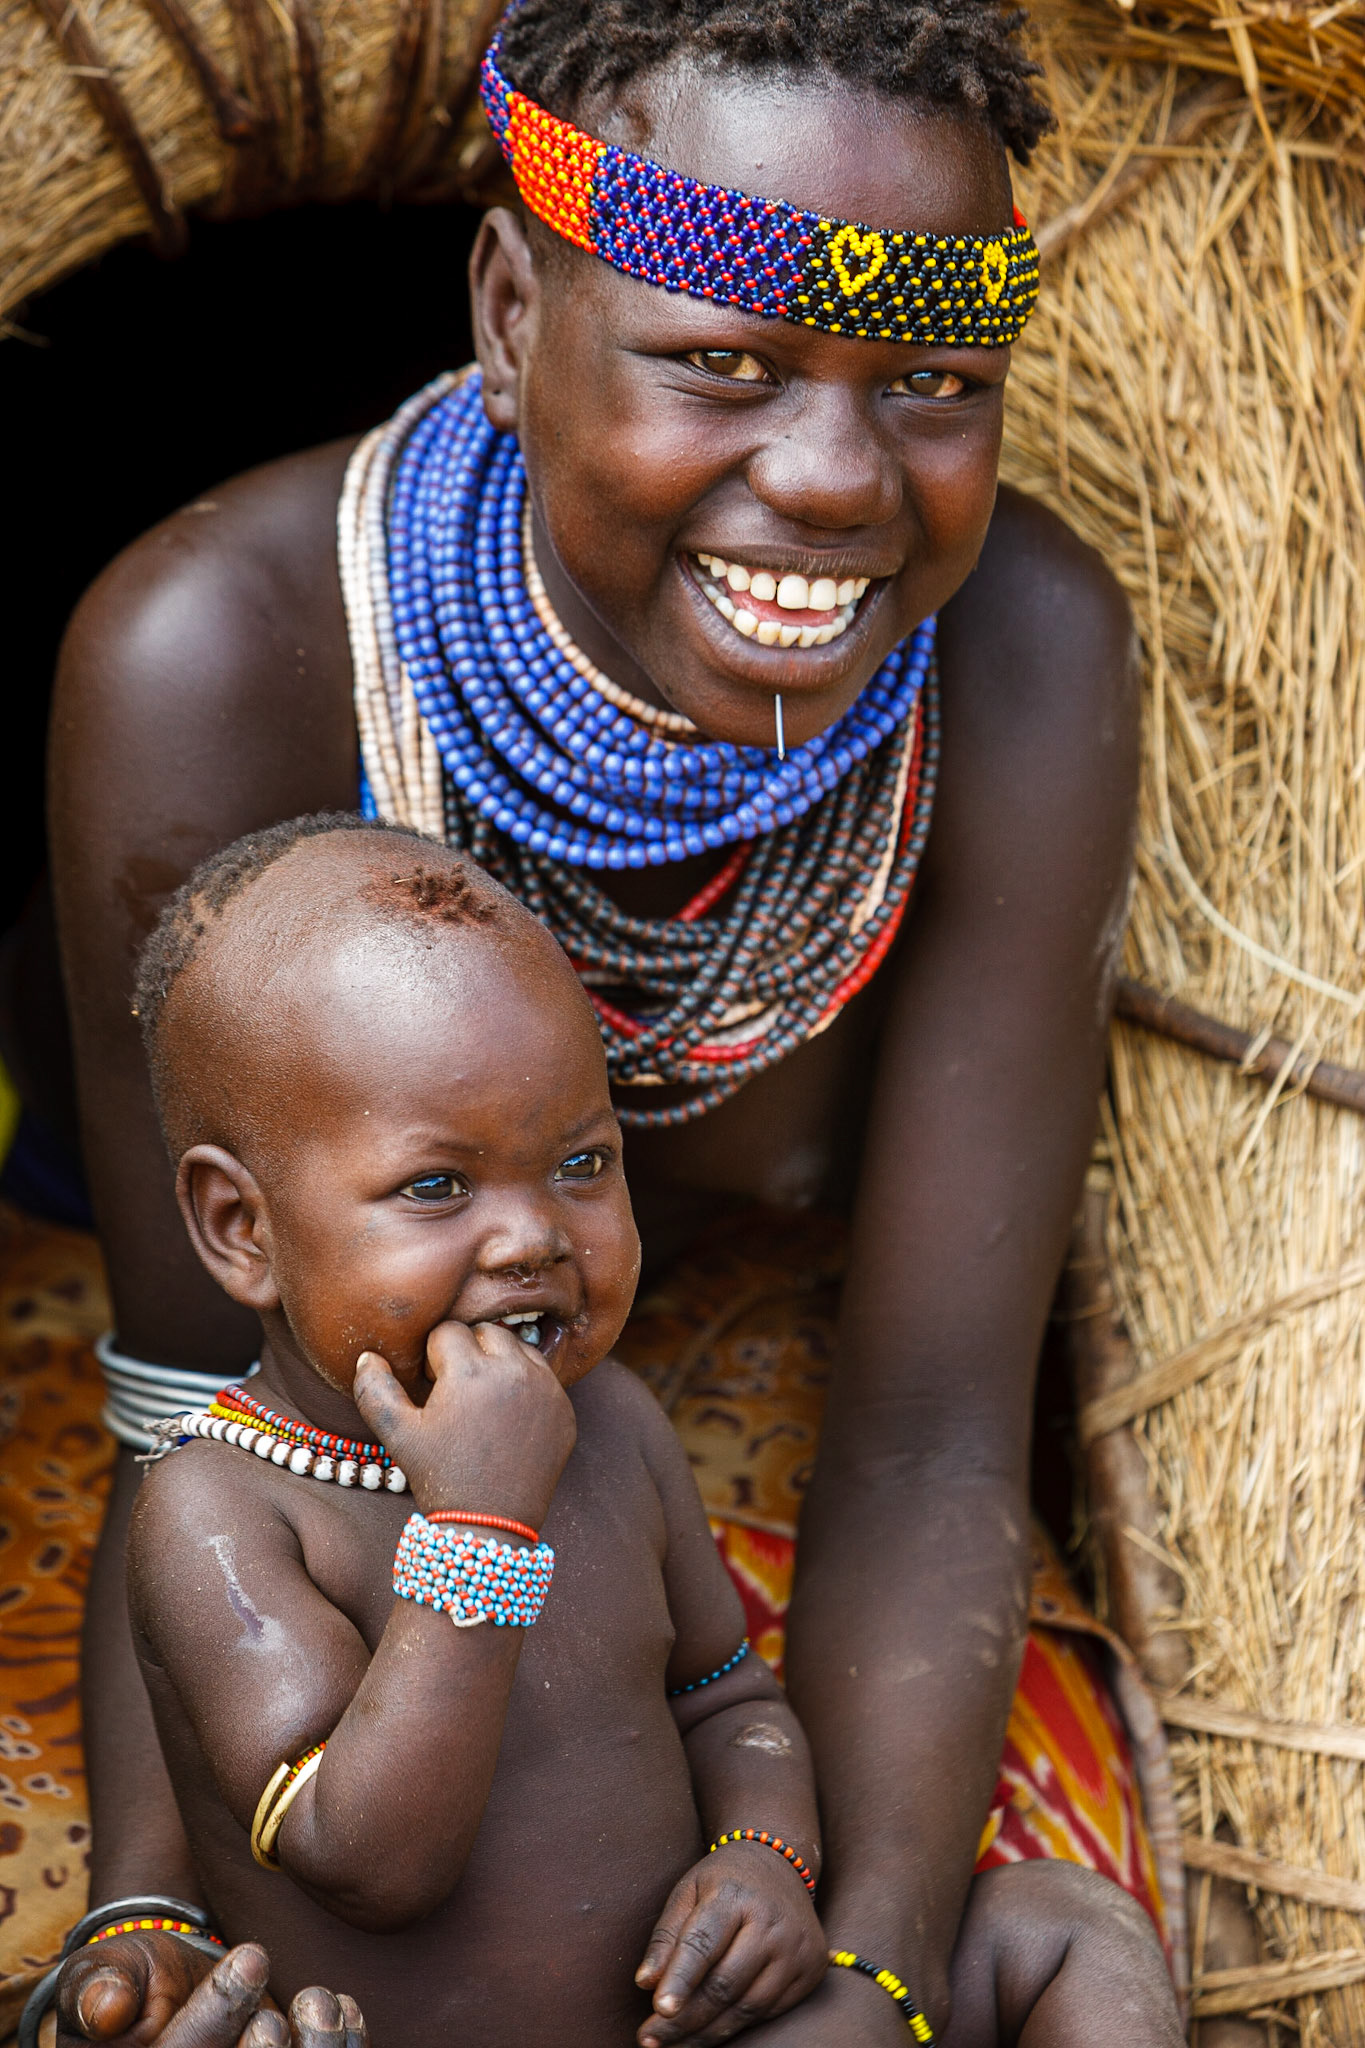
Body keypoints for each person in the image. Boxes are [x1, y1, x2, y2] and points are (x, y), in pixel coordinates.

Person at [45, 0, 1181, 2040]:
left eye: (933, 379)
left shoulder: (1015, 652)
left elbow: (932, 1433)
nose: (834, 480)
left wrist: (867, 1958)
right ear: (508, 308)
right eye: (720, 363)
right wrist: (134, 1918)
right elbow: (195, 1408)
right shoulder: (210, 656)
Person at [125, 817, 829, 2048]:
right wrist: (476, 1523)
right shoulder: (221, 1511)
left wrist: (764, 1855)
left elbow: (728, 1698)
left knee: (1059, 1930)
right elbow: (369, 1861)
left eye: (581, 1161)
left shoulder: (608, 1419)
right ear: (244, 1227)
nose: (533, 1239)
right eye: (437, 1185)